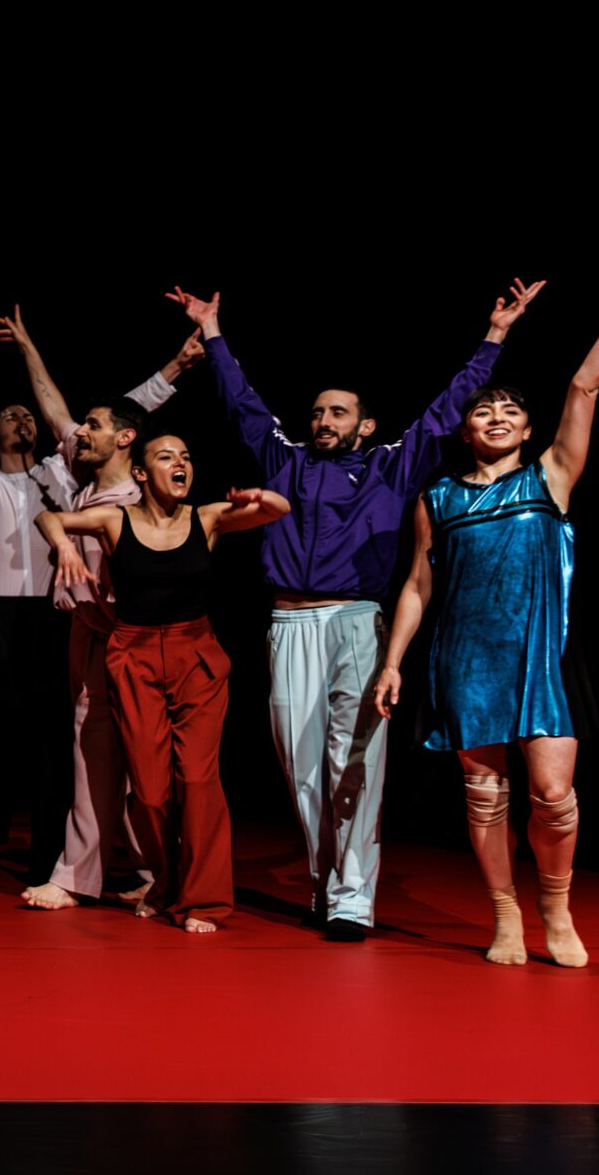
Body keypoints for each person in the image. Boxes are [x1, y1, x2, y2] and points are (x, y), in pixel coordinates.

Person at [170, 275, 541, 939]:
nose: (323, 422)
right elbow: (242, 401)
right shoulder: (282, 461)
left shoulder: (390, 467)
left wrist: (494, 336)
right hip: (289, 622)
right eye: (317, 413)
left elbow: (444, 410)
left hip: (356, 621)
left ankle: (351, 899)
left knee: (356, 759)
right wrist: (213, 332)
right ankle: (326, 879)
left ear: (364, 426)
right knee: (300, 764)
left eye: (338, 413)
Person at [376, 257, 599, 970]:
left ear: (529, 428)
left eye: (510, 410)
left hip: (544, 653)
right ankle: (505, 913)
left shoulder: (551, 477)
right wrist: (393, 663)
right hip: (466, 658)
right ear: (467, 431)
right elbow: (416, 586)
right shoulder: (438, 499)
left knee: (553, 795)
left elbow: (584, 386)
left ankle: (556, 907)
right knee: (485, 797)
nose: (498, 416)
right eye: (485, 411)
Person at [0, 315, 200, 881]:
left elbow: (123, 416)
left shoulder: (64, 473)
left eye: (27, 414)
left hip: (55, 620)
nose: (22, 418)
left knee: (55, 740)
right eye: (10, 416)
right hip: (0, 617)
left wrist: (174, 368)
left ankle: (49, 854)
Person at [0, 306, 204, 909]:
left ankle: (142, 870)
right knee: (98, 756)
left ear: (124, 438)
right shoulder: (85, 482)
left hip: (128, 641)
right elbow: (54, 409)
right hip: (90, 636)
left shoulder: (135, 500)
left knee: (136, 764)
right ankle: (99, 873)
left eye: (93, 425)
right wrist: (28, 346)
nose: (78, 432)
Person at [36, 440, 290, 931]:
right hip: (133, 658)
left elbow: (278, 510)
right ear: (140, 472)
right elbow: (49, 518)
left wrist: (258, 496)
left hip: (195, 655)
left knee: (197, 781)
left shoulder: (206, 517)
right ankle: (168, 883)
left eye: (187, 457)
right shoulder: (116, 520)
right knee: (150, 792)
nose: (181, 464)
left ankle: (205, 901)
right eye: (167, 457)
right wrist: (64, 544)